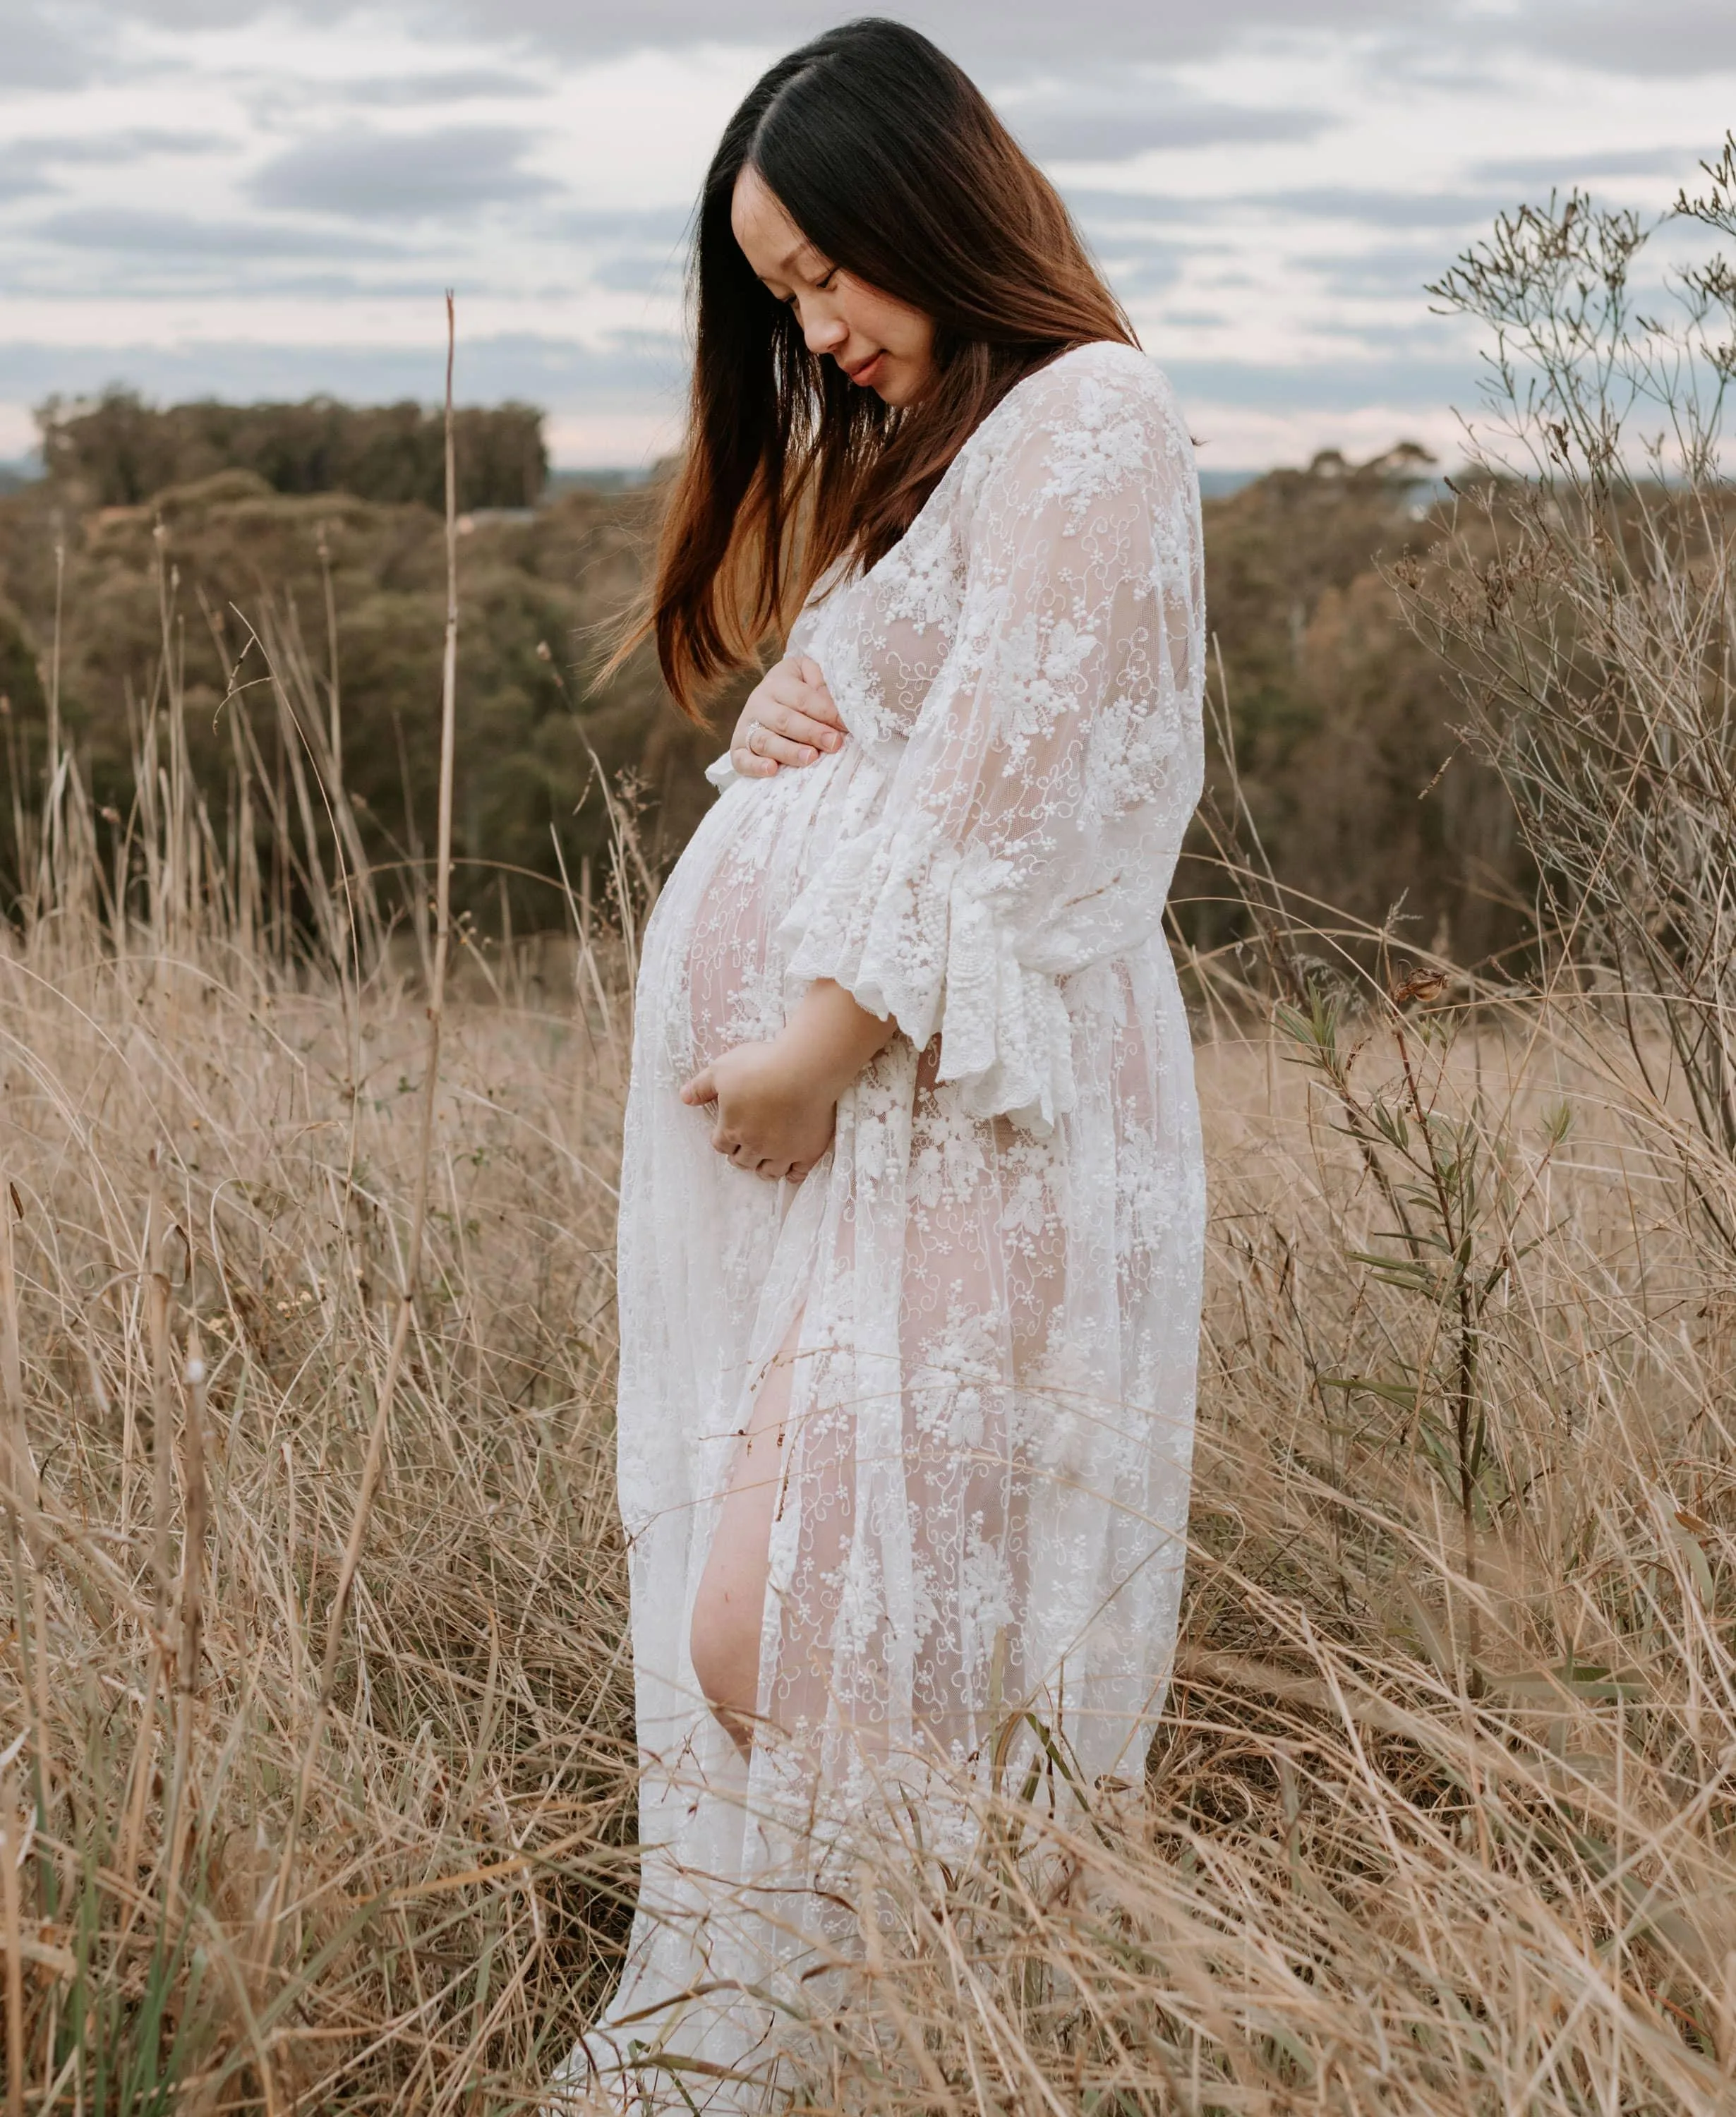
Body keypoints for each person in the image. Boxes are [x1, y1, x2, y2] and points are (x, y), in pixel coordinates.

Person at [552, 17, 1205, 2109]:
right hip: (881, 1142)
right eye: (780, 299)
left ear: (933, 205)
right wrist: (793, 720)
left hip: (975, 1119)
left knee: (817, 1626)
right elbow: (860, 718)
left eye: (830, 270)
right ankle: (900, 2055)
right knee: (825, 1632)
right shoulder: (936, 461)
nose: (817, 329)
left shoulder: (1091, 410)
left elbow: (1030, 787)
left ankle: (946, 2041)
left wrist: (814, 1045)